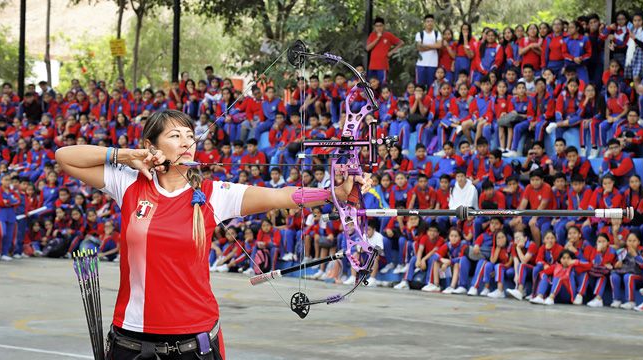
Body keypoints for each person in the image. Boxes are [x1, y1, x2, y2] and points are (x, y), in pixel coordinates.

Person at [55, 109, 370, 360]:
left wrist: (335, 193)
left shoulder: (213, 193)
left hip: (195, 339)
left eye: (190, 136)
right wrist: (127, 155)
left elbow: (281, 196)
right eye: (175, 135)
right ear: (152, 146)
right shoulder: (128, 185)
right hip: (132, 336)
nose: (186, 143)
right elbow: (65, 156)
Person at [366, 17, 404, 84]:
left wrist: (392, 52)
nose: (378, 28)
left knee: (382, 85)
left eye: (380, 26)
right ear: (374, 27)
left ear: (383, 26)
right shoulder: (372, 35)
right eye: (377, 26)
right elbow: (368, 48)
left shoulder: (388, 35)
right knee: (370, 85)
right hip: (372, 66)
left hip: (382, 66)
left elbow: (401, 43)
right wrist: (378, 38)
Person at [415, 14, 442, 86]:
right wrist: (433, 46)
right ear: (424, 23)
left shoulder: (437, 34)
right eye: (427, 21)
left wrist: (425, 45)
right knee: (420, 86)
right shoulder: (420, 34)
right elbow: (419, 47)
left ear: (433, 23)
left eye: (431, 21)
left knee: (431, 86)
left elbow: (439, 45)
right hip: (421, 64)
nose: (429, 23)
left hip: (433, 64)